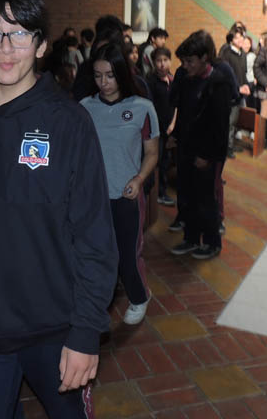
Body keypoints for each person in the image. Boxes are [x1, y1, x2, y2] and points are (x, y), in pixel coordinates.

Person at [0, 0, 118, 418]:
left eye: (19, 34)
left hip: (55, 326)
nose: (5, 48)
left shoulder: (69, 122)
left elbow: (94, 235)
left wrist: (85, 332)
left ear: (41, 45)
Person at [81, 43, 159, 325]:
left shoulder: (142, 108)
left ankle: (140, 297)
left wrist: (139, 179)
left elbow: (152, 153)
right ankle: (101, 300)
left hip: (127, 195)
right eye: (98, 75)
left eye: (110, 75)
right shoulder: (85, 108)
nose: (103, 82)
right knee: (99, 254)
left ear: (122, 74)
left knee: (127, 255)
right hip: (95, 198)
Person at [168, 30, 233, 260]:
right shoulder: (188, 79)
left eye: (190, 61)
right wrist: (176, 135)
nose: (185, 66)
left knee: (206, 199)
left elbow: (220, 127)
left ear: (205, 57)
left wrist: (206, 155)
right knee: (188, 196)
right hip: (187, 147)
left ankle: (212, 242)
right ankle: (191, 238)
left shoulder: (218, 83)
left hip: (207, 153)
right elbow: (184, 112)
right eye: (183, 62)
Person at [146, 46, 175, 206]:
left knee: (166, 161)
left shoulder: (172, 79)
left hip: (170, 128)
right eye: (158, 61)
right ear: (153, 62)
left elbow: (176, 104)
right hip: (156, 129)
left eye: (165, 60)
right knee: (157, 163)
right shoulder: (151, 82)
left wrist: (173, 124)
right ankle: (157, 193)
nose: (162, 64)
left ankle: (162, 191)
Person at [218, 26, 251, 158]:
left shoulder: (243, 54)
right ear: (231, 40)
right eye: (236, 37)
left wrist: (246, 85)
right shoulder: (226, 54)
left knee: (235, 121)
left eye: (241, 36)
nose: (240, 39)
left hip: (239, 94)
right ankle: (226, 149)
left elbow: (242, 74)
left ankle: (230, 145)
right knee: (229, 123)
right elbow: (224, 76)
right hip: (228, 94)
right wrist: (238, 88)